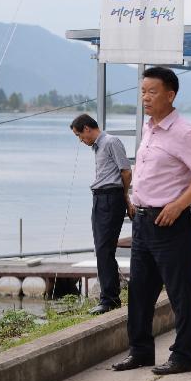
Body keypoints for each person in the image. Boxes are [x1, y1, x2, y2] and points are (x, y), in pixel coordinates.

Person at [111, 67, 191, 375]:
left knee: (179, 292)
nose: (145, 97)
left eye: (152, 92)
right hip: (143, 222)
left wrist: (180, 204)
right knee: (140, 291)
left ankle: (183, 355)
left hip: (171, 222)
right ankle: (141, 351)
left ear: (170, 95)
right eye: (142, 91)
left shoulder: (183, 132)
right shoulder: (149, 128)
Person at [69, 114, 132, 315]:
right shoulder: (97, 147)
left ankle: (110, 299)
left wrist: (125, 197)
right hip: (100, 197)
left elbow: (126, 171)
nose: (81, 140)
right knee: (102, 249)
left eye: (80, 135)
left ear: (87, 128)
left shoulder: (111, 142)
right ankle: (109, 296)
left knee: (105, 249)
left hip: (111, 197)